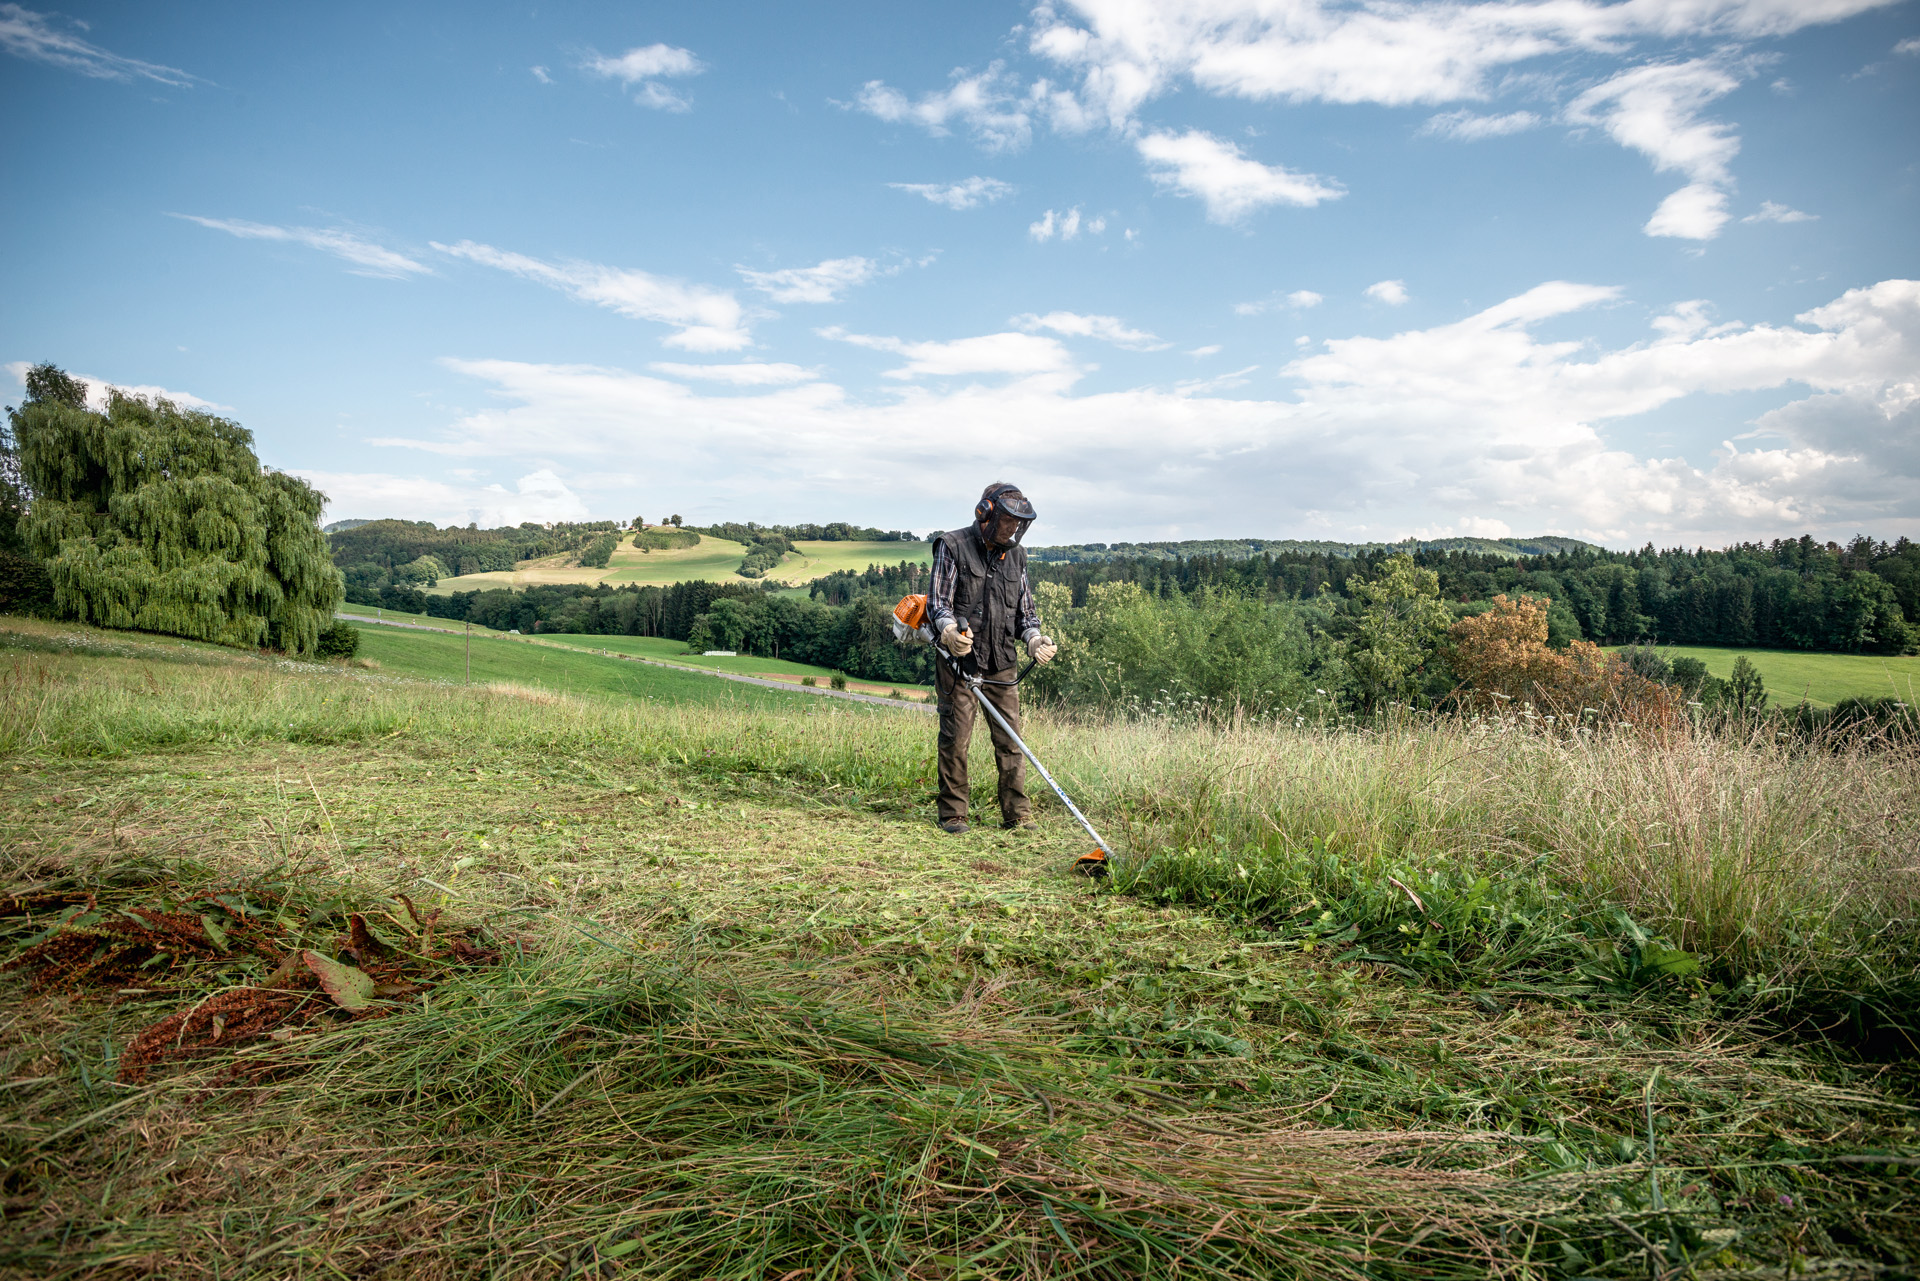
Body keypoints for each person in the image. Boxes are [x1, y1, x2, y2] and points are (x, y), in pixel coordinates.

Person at [926, 482, 1058, 834]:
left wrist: (1033, 640)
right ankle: (953, 814)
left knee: (1011, 741)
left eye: (1019, 522)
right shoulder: (952, 545)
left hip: (1002, 659)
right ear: (986, 515)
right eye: (1008, 521)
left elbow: (1025, 613)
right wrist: (950, 631)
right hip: (960, 660)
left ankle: (1017, 815)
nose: (1014, 528)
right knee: (956, 738)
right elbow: (937, 603)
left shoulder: (1017, 555)